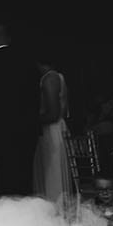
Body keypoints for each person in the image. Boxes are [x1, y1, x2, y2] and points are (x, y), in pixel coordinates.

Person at [0, 19, 40, 196]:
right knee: (25, 173)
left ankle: (12, 215)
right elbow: (35, 93)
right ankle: (28, 211)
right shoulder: (26, 58)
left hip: (3, 129)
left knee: (7, 175)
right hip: (28, 127)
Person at [31, 58, 75, 209]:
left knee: (52, 173)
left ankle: (54, 211)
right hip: (56, 128)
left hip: (50, 130)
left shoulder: (49, 78)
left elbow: (53, 113)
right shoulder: (58, 76)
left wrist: (29, 120)